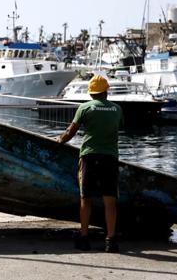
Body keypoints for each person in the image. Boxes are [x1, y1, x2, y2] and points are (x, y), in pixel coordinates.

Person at [55, 74, 123, 253]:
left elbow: (70, 132)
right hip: (110, 157)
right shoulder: (117, 109)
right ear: (106, 91)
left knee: (86, 198)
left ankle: (84, 238)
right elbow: (118, 128)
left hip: (89, 157)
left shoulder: (84, 108)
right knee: (110, 200)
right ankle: (111, 240)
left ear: (92, 94)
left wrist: (59, 140)